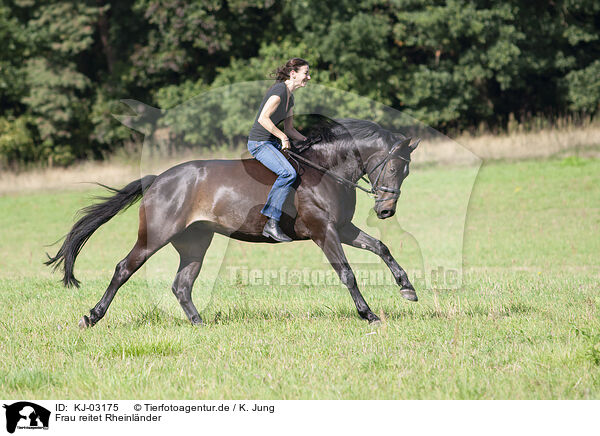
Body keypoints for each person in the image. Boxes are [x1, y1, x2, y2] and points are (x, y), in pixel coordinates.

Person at [247, 58, 311, 242]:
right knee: (287, 173)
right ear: (293, 74)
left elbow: (290, 129)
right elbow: (263, 119)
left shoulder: (290, 98)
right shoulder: (279, 92)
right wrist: (282, 137)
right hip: (259, 143)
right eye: (305, 73)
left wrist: (307, 140)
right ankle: (271, 222)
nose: (308, 77)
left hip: (271, 143)